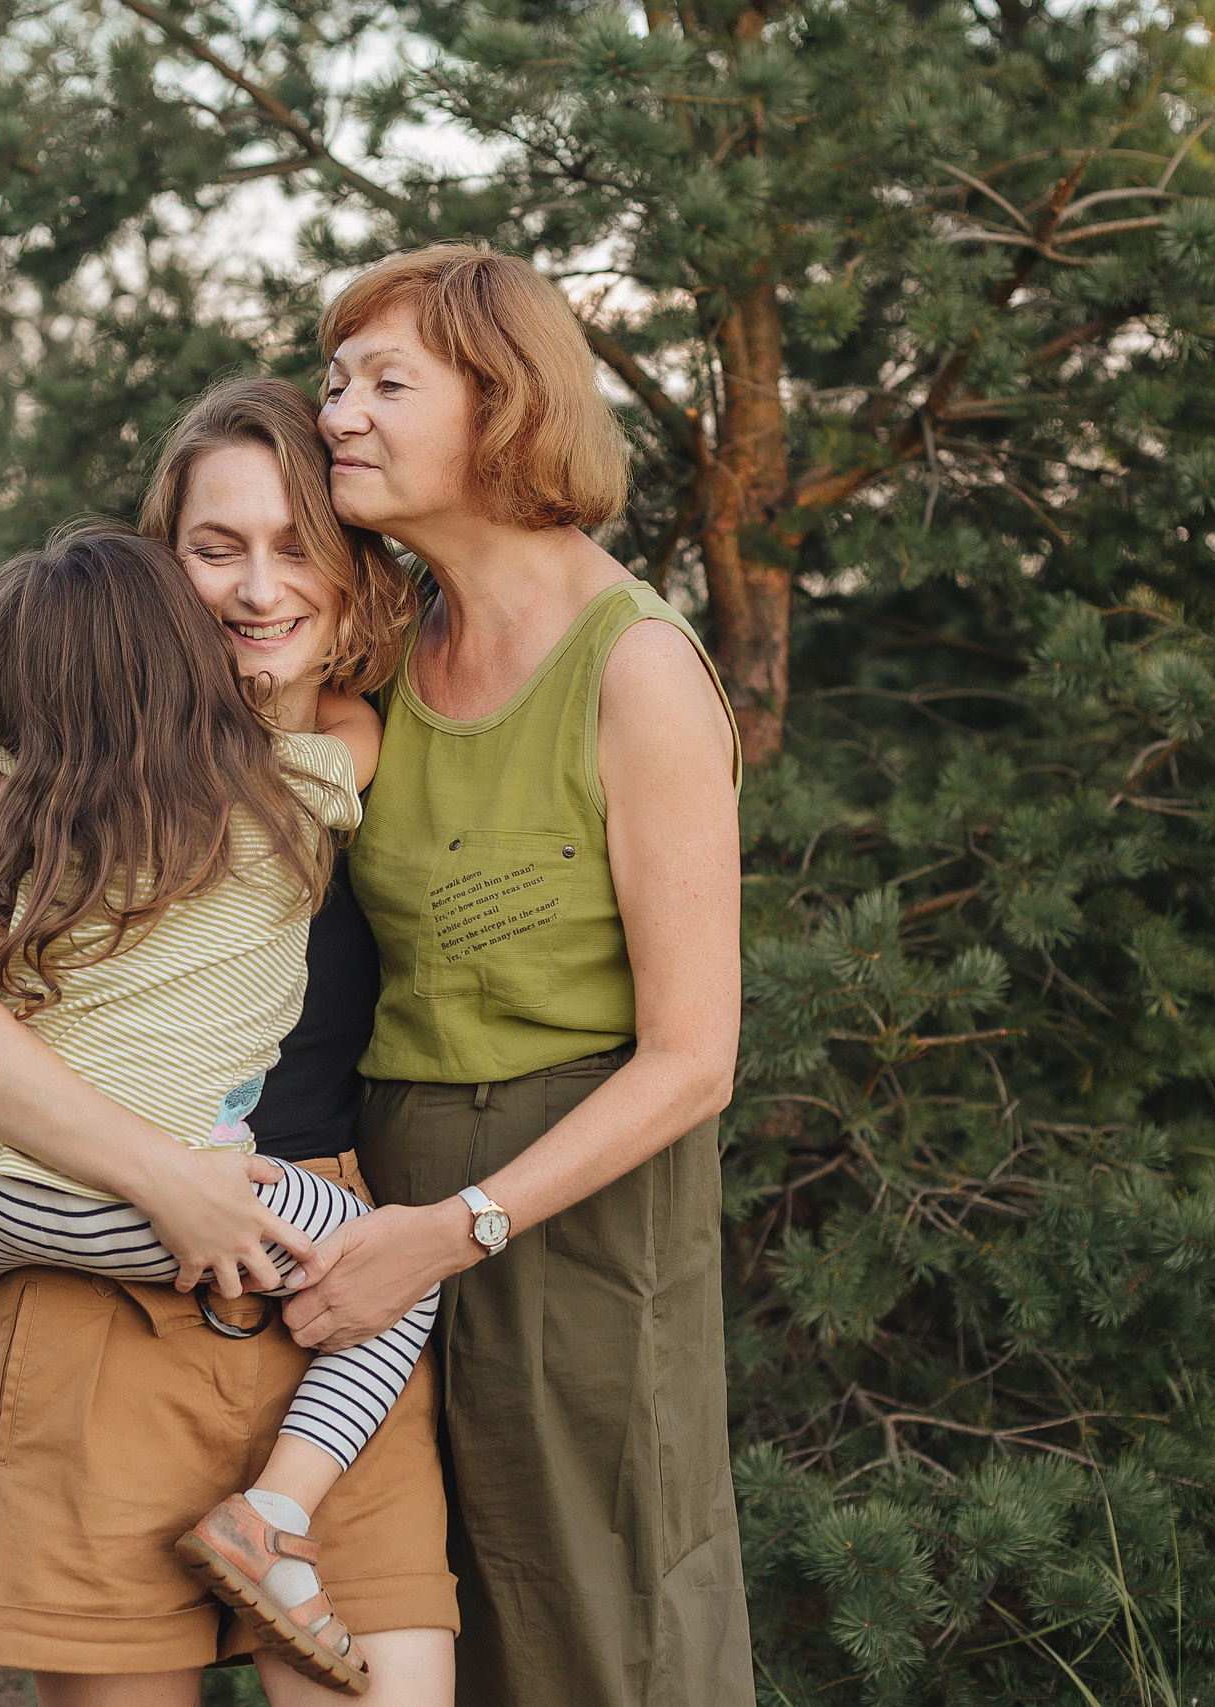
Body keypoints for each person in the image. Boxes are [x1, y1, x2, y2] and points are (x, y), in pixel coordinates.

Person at [0, 379, 457, 1707]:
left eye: (299, 543)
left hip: (332, 1287)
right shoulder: (83, 755)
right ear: (151, 570)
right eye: (215, 547)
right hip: (105, 1287)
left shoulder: (389, 731)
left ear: (363, 576)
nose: (259, 587)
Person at [277, 245, 759, 1707]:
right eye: (333, 381)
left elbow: (695, 1057)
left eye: (383, 383)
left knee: (601, 1612)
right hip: (377, 1182)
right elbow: (71, 658)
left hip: (574, 1193)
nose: (336, 416)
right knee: (420, 1607)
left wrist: (458, 1228)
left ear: (503, 407)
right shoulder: (375, 638)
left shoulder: (637, 668)